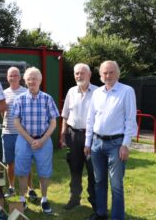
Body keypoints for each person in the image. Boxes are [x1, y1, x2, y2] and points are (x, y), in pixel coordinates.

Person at [84, 60, 137, 220]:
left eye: (111, 72)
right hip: (97, 143)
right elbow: (90, 119)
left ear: (118, 73)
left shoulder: (127, 91)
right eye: (105, 72)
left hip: (117, 144)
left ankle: (117, 217)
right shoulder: (97, 93)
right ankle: (101, 213)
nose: (108, 75)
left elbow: (130, 119)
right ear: (100, 75)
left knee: (116, 185)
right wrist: (88, 142)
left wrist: (125, 145)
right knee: (99, 182)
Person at [11, 67, 59, 214]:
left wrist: (43, 139)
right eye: (29, 79)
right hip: (24, 141)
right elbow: (16, 122)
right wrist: (30, 139)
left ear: (40, 80)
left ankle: (44, 199)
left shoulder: (47, 99)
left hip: (43, 141)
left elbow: (53, 122)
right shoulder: (19, 99)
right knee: (22, 171)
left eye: (35, 78)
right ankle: (22, 199)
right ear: (25, 81)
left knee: (44, 172)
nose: (32, 81)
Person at [60, 63, 97, 211]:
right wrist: (63, 134)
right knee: (74, 169)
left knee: (92, 170)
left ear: (89, 75)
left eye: (82, 73)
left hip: (92, 137)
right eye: (76, 73)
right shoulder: (71, 92)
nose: (79, 76)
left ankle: (95, 201)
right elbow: (65, 115)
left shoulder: (98, 92)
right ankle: (74, 199)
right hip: (73, 135)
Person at [1, 67, 37, 201]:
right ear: (7, 77)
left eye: (15, 75)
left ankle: (30, 189)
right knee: (10, 163)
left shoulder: (26, 92)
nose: (13, 78)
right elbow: (2, 113)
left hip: (24, 134)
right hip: (8, 133)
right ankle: (11, 187)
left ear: (19, 77)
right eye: (10, 76)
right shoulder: (3, 93)